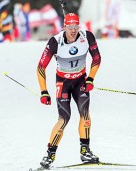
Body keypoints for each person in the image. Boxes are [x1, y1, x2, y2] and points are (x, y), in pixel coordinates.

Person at [36, 13, 102, 169]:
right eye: (69, 27)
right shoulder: (55, 42)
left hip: (80, 81)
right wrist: (44, 91)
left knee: (84, 113)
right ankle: (49, 155)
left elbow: (97, 58)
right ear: (64, 27)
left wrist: (90, 79)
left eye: (75, 27)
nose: (73, 30)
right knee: (63, 118)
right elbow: (41, 67)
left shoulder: (87, 37)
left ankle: (85, 151)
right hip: (63, 83)